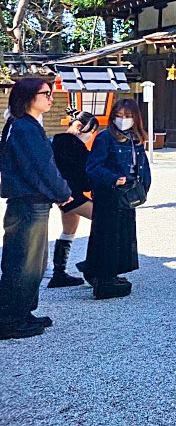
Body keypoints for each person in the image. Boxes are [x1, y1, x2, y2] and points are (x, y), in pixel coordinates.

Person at [0, 77, 73, 339]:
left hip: (30, 202)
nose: (51, 98)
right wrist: (63, 192)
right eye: (46, 93)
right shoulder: (24, 129)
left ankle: (22, 312)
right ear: (29, 96)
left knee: (32, 261)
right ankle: (10, 319)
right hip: (28, 203)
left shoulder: (20, 125)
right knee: (23, 262)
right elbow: (40, 168)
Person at [84, 99, 150, 300]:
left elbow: (142, 166)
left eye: (128, 116)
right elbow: (93, 167)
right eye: (119, 116)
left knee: (123, 235)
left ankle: (107, 273)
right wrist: (114, 179)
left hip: (127, 194)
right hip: (109, 193)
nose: (123, 120)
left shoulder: (135, 139)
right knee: (107, 236)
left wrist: (143, 188)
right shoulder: (104, 138)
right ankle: (104, 278)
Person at [47, 110, 98, 288]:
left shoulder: (57, 141)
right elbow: (83, 178)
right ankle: (95, 267)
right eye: (91, 131)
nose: (91, 136)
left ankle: (58, 274)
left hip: (62, 193)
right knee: (102, 218)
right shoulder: (74, 145)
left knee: (69, 229)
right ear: (79, 127)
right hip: (71, 195)